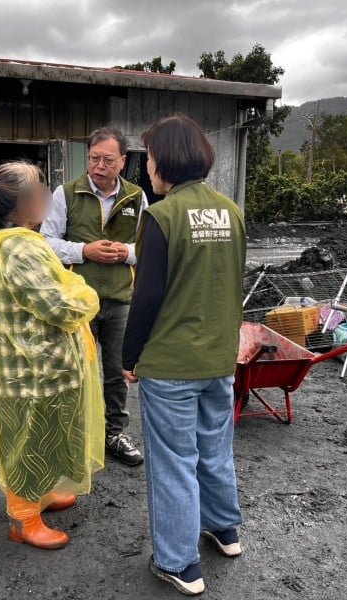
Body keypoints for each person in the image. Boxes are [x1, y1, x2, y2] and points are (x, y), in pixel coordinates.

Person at [121, 114, 247, 595]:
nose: (147, 167)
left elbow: (147, 295)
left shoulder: (162, 215)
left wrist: (130, 355)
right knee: (214, 449)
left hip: (171, 364)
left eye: (149, 158)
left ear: (166, 161)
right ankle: (225, 530)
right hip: (219, 358)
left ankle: (179, 562)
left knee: (173, 461)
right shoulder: (230, 212)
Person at [0, 161, 104, 550]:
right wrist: (86, 293)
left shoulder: (12, 241)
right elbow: (60, 307)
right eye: (41, 190)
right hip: (31, 372)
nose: (47, 196)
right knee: (28, 440)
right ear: (24, 203)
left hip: (37, 367)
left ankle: (41, 493)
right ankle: (23, 518)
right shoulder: (20, 249)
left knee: (45, 435)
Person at [41, 127, 148, 466]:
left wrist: (126, 253)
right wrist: (84, 250)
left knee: (117, 372)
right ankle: (76, 438)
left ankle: (114, 434)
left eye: (108, 160)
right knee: (74, 372)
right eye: (94, 158)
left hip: (120, 299)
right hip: (78, 301)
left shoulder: (136, 197)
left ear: (123, 161)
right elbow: (46, 242)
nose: (99, 166)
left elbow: (147, 247)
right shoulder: (66, 194)